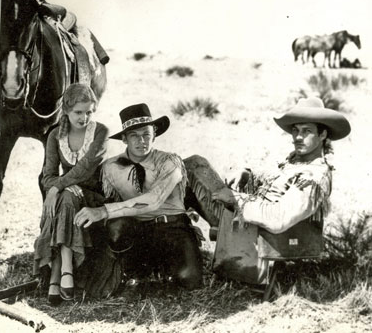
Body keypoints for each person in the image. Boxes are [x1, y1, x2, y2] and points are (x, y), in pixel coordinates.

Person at [184, 96, 351, 282]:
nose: (298, 137)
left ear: (323, 135)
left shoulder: (313, 177)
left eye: (307, 131)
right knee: (191, 166)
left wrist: (235, 199)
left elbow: (278, 218)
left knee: (192, 166)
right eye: (295, 130)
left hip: (255, 230)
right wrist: (247, 175)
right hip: (248, 219)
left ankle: (178, 255)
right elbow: (272, 183)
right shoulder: (295, 163)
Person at [74, 103, 203, 290]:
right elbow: (83, 185)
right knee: (118, 228)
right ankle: (135, 270)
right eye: (134, 135)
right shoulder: (110, 168)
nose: (141, 141)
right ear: (124, 139)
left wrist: (103, 211)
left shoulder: (170, 162)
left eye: (146, 135)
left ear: (155, 135)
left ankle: (164, 269)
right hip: (139, 232)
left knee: (189, 281)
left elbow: (154, 200)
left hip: (174, 228)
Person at [33, 83, 109, 305]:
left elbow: (86, 167)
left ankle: (58, 272)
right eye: (78, 112)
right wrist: (59, 187)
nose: (84, 118)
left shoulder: (101, 132)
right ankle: (64, 268)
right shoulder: (55, 135)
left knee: (65, 196)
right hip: (68, 196)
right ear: (65, 110)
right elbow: (47, 176)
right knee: (67, 197)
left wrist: (58, 187)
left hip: (95, 195)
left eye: (89, 112)